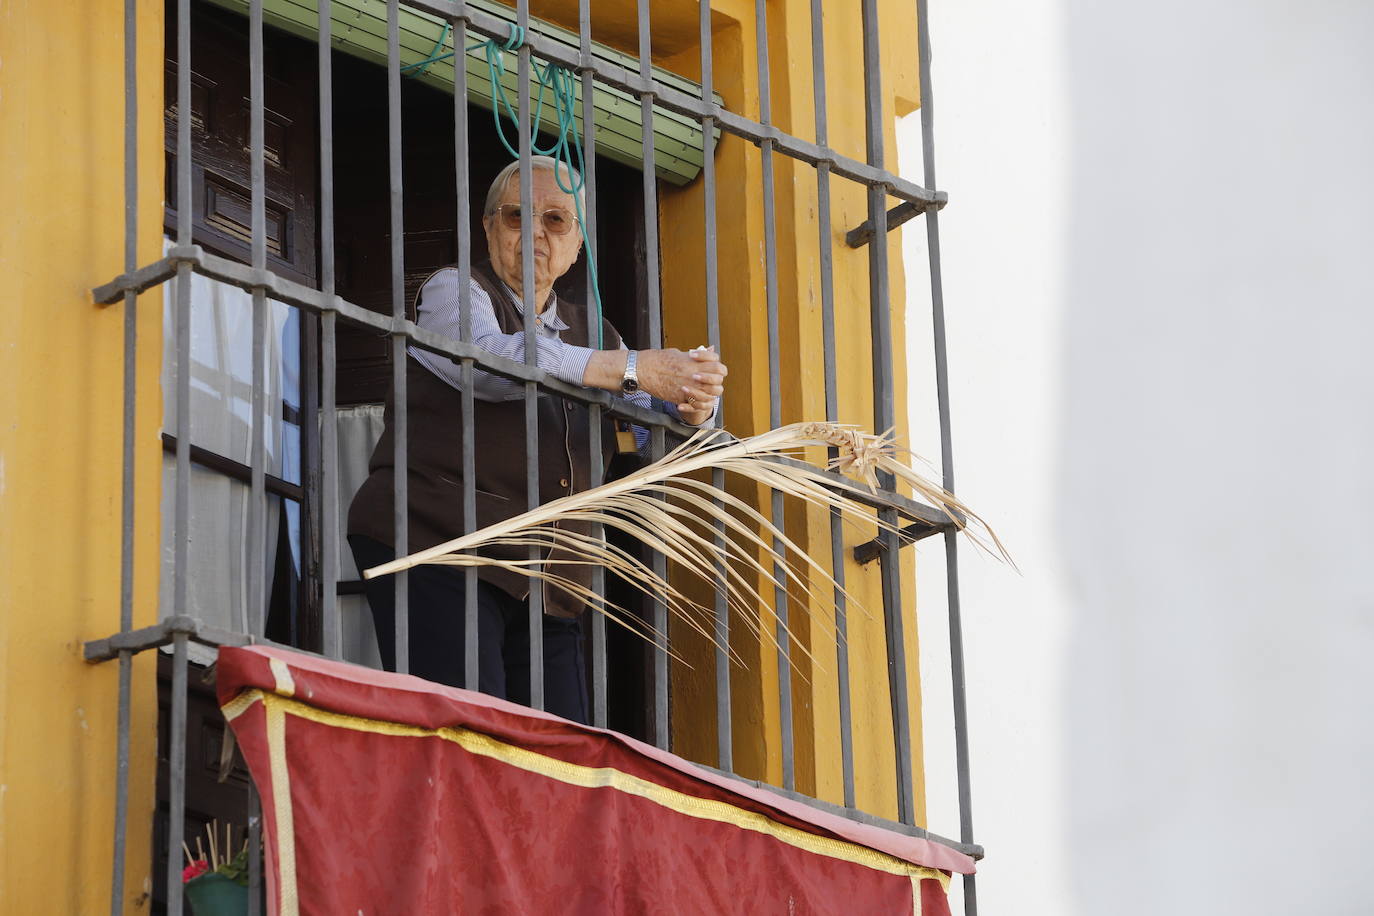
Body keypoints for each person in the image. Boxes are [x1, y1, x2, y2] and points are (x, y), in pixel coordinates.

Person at [347, 156, 728, 724]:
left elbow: (653, 439)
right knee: (469, 737)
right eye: (517, 215)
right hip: (440, 543)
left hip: (548, 581)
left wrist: (693, 407)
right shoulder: (453, 290)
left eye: (556, 220)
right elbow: (489, 363)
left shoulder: (597, 334)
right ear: (488, 227)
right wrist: (633, 368)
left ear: (579, 244)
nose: (535, 233)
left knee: (556, 762)